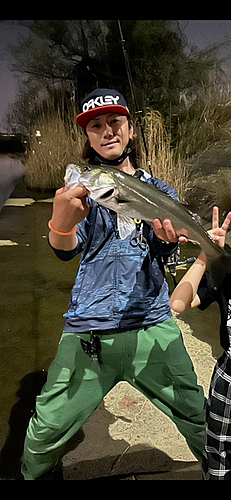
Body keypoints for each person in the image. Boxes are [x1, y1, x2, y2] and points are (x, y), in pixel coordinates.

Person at [21, 88, 206, 480]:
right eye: (96, 125)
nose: (107, 131)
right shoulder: (83, 192)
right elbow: (65, 248)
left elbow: (161, 251)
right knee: (44, 433)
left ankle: (218, 470)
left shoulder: (161, 191)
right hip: (89, 332)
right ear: (87, 136)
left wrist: (174, 239)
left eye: (114, 122)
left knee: (199, 417)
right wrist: (61, 223)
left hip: (153, 326)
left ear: (130, 130)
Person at [170, 206, 231, 480]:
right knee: (218, 452)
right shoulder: (226, 270)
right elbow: (179, 303)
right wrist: (207, 255)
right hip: (228, 379)